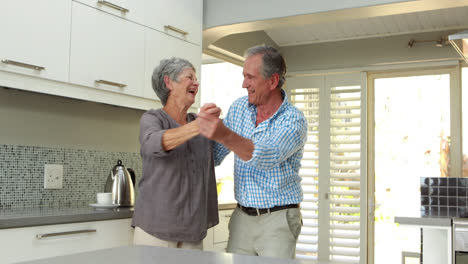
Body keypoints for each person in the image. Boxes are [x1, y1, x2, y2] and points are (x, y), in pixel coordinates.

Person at [198, 45, 308, 258]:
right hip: (241, 218)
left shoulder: (293, 120)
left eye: (250, 77)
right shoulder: (239, 108)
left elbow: (267, 156)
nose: (243, 84)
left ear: (272, 81)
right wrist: (201, 127)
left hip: (278, 219)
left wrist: (223, 134)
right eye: (243, 76)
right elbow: (215, 156)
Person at [132, 57, 220, 250]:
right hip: (155, 229)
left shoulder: (198, 122)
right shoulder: (153, 118)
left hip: (193, 230)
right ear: (168, 82)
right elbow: (153, 143)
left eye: (196, 78)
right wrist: (198, 126)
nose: (196, 83)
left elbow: (218, 154)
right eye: (189, 77)